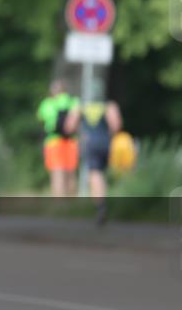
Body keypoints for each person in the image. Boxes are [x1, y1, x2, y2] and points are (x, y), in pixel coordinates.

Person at [65, 83, 122, 224]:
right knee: (104, 173)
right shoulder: (109, 105)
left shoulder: (80, 106)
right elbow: (116, 126)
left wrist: (80, 129)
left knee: (95, 174)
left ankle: (101, 206)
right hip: (106, 142)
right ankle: (109, 200)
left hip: (90, 143)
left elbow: (69, 127)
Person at [37, 79, 80, 197]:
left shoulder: (47, 103)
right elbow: (77, 117)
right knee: (70, 173)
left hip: (53, 141)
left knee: (57, 172)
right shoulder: (72, 101)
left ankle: (59, 203)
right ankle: (71, 202)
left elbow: (41, 118)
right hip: (70, 141)